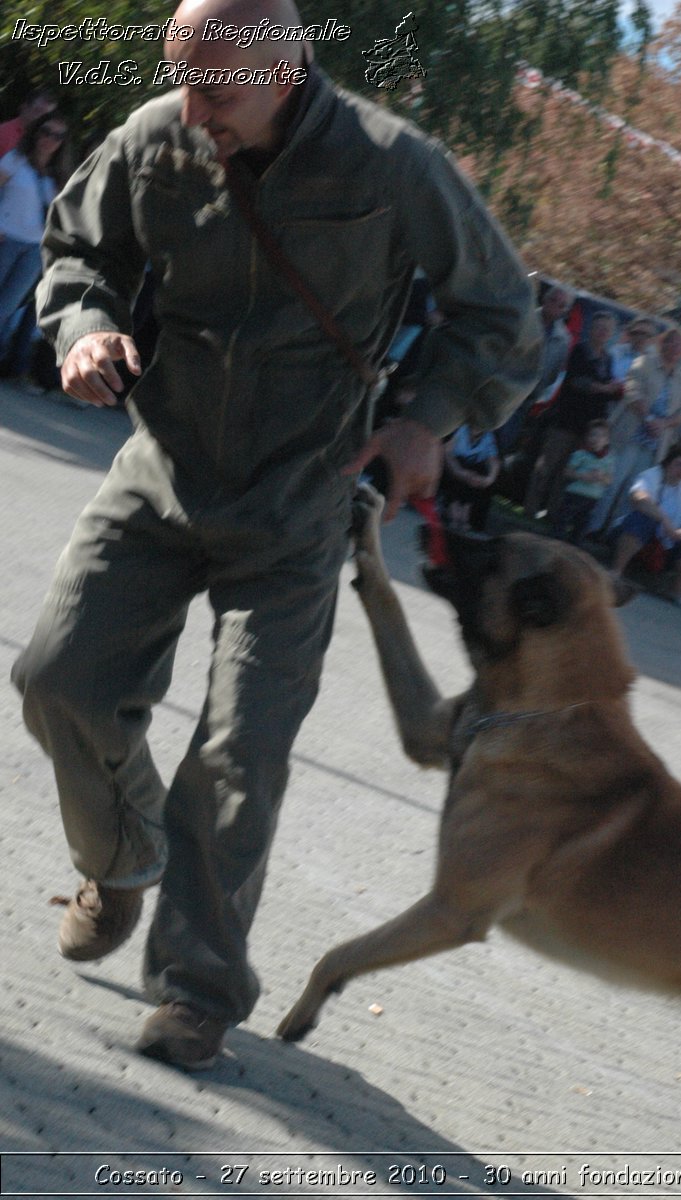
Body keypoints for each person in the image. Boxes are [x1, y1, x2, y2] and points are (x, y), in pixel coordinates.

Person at [11, 0, 540, 1071]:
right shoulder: (159, 137)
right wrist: (82, 327)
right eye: (186, 83)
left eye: (221, 91)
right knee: (58, 678)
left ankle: (198, 993)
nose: (195, 110)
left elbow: (502, 317)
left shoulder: (394, 165)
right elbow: (75, 247)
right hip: (161, 475)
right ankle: (121, 861)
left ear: (289, 68)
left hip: (300, 503)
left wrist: (423, 420)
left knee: (239, 755)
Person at [589, 325, 681, 535]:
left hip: (654, 444)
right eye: (671, 340)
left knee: (635, 492)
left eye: (680, 344)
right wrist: (648, 418)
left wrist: (664, 424)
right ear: (662, 343)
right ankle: (591, 527)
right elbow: (632, 391)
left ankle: (612, 533)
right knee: (611, 484)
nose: (675, 346)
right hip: (629, 435)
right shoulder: (644, 363)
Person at [523, 310, 622, 519]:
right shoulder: (580, 350)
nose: (603, 332)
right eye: (599, 327)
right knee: (546, 467)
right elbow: (577, 381)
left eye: (607, 329)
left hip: (588, 429)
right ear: (591, 329)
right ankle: (530, 508)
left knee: (567, 472)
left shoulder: (608, 359)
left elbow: (606, 392)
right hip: (565, 420)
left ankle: (552, 513)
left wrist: (615, 391)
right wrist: (604, 388)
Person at [0, 112, 69, 356]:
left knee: (6, 308)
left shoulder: (58, 175)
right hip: (5, 240)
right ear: (36, 132)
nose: (50, 139)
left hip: (34, 249)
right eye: (46, 131)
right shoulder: (15, 159)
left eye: (58, 136)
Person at [612, 442, 681, 606]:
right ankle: (616, 572)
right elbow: (639, 498)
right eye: (679, 464)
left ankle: (678, 590)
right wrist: (666, 521)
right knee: (643, 518)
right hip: (633, 533)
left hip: (665, 544)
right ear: (668, 462)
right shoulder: (650, 476)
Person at [494, 283, 573, 455]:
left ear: (565, 311)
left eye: (561, 305)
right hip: (500, 390)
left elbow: (553, 373)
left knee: (502, 446)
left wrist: (537, 391)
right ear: (544, 299)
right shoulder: (524, 318)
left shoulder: (564, 338)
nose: (555, 306)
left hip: (525, 400)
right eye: (553, 300)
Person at [548, 419, 614, 544]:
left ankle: (574, 544)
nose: (596, 438)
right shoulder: (580, 454)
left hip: (592, 498)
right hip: (574, 494)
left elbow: (609, 480)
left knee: (582, 523)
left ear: (607, 440)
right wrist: (582, 476)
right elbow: (567, 472)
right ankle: (555, 541)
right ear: (587, 437)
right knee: (563, 519)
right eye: (593, 434)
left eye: (601, 435)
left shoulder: (609, 459)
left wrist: (601, 477)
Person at [437, 423, 500, 532]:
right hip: (452, 467)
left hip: (471, 473)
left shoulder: (488, 437)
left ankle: (465, 513)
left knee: (479, 474)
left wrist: (490, 478)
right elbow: (447, 452)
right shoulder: (460, 429)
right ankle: (453, 511)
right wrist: (458, 471)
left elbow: (493, 460)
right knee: (462, 469)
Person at [0, 89, 57, 158]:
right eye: (38, 111)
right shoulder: (3, 133)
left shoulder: (43, 140)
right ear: (24, 107)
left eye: (45, 115)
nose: (41, 118)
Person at [609, 316, 657, 383]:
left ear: (652, 339)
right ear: (630, 335)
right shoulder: (617, 351)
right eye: (636, 333)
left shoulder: (655, 360)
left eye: (645, 334)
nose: (640, 337)